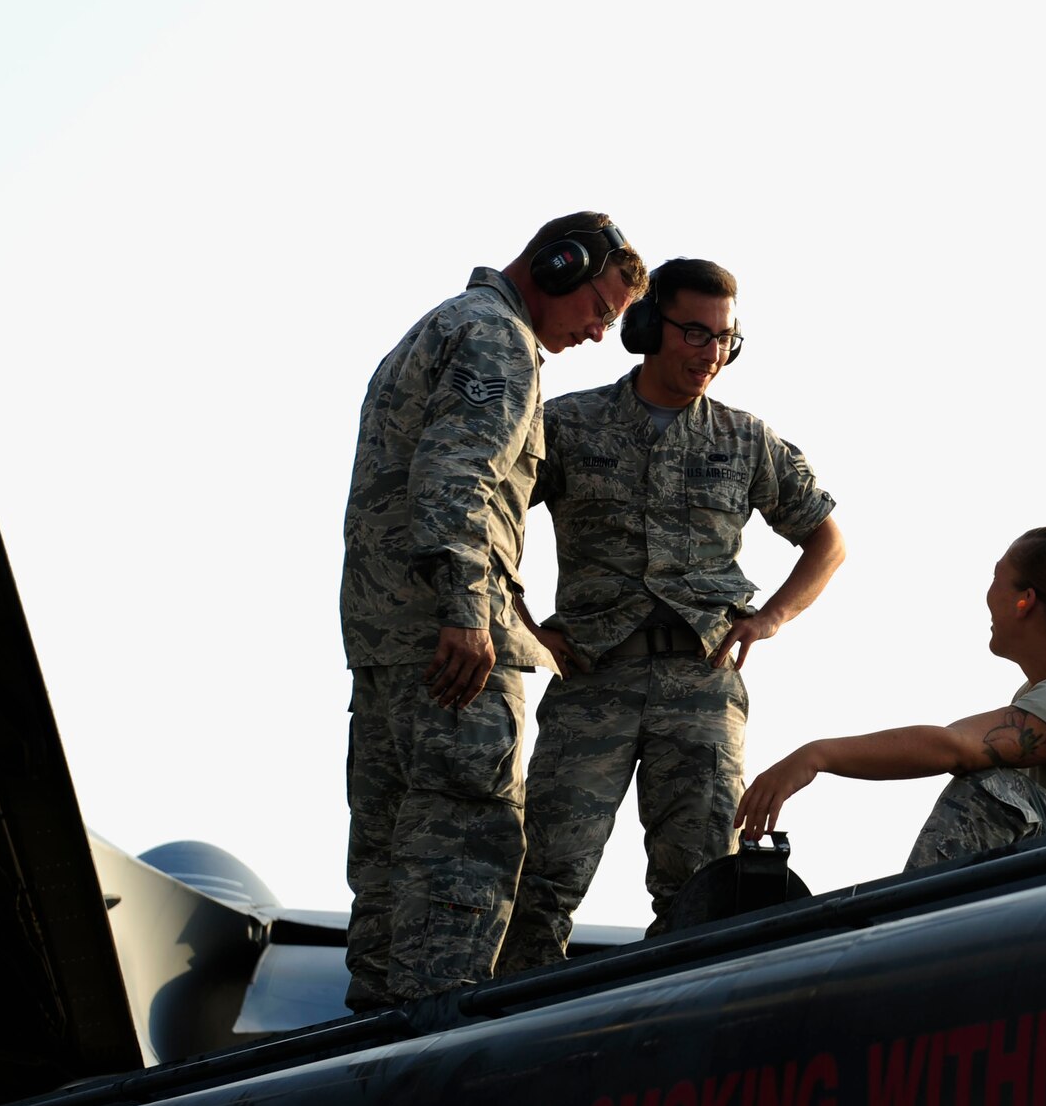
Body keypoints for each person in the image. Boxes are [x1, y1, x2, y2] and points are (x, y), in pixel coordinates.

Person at [501, 257, 846, 967]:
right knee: (540, 877)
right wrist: (524, 624)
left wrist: (769, 618)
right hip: (593, 678)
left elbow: (827, 540)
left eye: (725, 338)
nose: (711, 353)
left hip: (702, 684)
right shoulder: (569, 424)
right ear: (650, 326)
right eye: (694, 332)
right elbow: (489, 512)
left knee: (701, 889)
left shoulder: (745, 439)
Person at [340, 214, 647, 1010]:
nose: (598, 333)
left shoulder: (439, 325)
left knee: (385, 871)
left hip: (385, 648)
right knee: (462, 861)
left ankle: (365, 1060)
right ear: (558, 265)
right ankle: (433, 1062)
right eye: (598, 310)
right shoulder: (496, 340)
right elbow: (458, 475)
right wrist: (469, 612)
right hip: (450, 655)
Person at [734, 526, 1046, 867]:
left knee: (988, 791)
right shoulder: (1045, 692)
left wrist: (816, 756)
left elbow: (956, 748)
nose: (986, 595)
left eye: (996, 579)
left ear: (1024, 600)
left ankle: (912, 944)